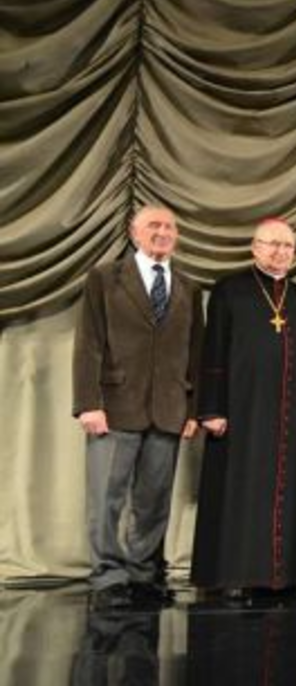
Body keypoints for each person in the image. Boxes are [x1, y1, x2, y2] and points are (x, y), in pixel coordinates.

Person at [72, 206, 203, 609]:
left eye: (169, 226)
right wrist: (88, 404)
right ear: (134, 233)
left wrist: (192, 409)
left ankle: (143, 575)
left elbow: (196, 352)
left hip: (168, 410)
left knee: (154, 500)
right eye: (153, 226)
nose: (162, 232)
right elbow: (89, 344)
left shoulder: (188, 287)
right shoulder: (104, 278)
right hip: (114, 408)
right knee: (107, 499)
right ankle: (108, 578)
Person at [191, 218, 296, 596]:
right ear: (255, 247)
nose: (281, 252)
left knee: (288, 492)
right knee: (239, 490)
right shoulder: (229, 291)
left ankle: (285, 576)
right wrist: (211, 408)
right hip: (240, 412)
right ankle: (233, 576)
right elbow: (212, 351)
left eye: (287, 246)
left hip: (289, 416)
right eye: (273, 244)